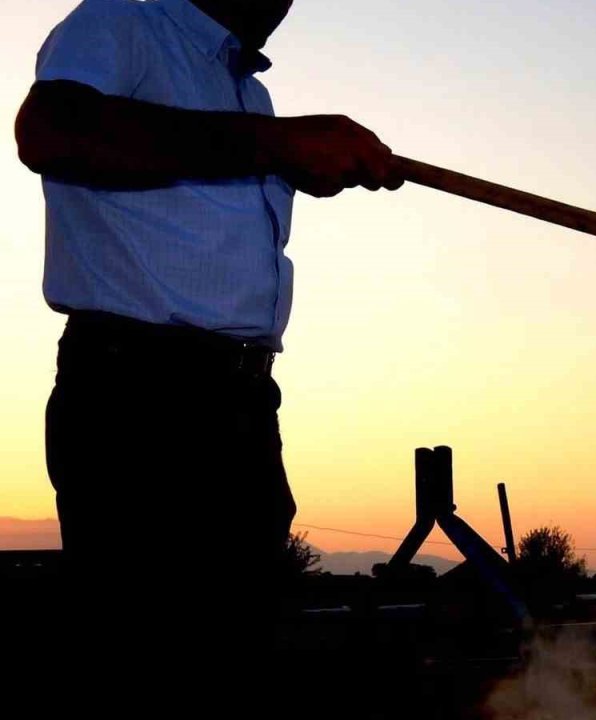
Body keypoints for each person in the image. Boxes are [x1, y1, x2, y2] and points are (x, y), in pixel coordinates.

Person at [14, 0, 402, 714]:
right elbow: (53, 130)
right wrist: (273, 145)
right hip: (140, 399)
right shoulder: (122, 20)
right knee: (149, 661)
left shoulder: (247, 91)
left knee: (231, 660)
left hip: (241, 403)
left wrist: (286, 152)